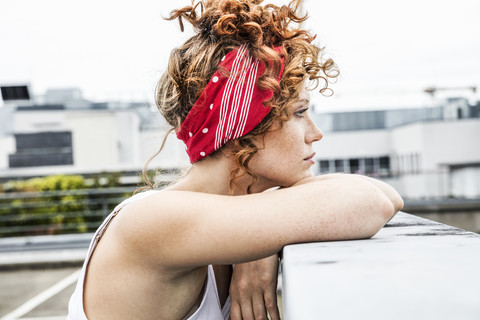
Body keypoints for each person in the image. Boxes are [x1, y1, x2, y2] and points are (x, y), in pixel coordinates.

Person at [68, 0, 403, 319]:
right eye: (299, 113)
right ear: (245, 127)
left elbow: (388, 197)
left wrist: (261, 243)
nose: (315, 134)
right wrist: (265, 234)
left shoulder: (217, 223)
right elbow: (372, 201)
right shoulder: (150, 220)